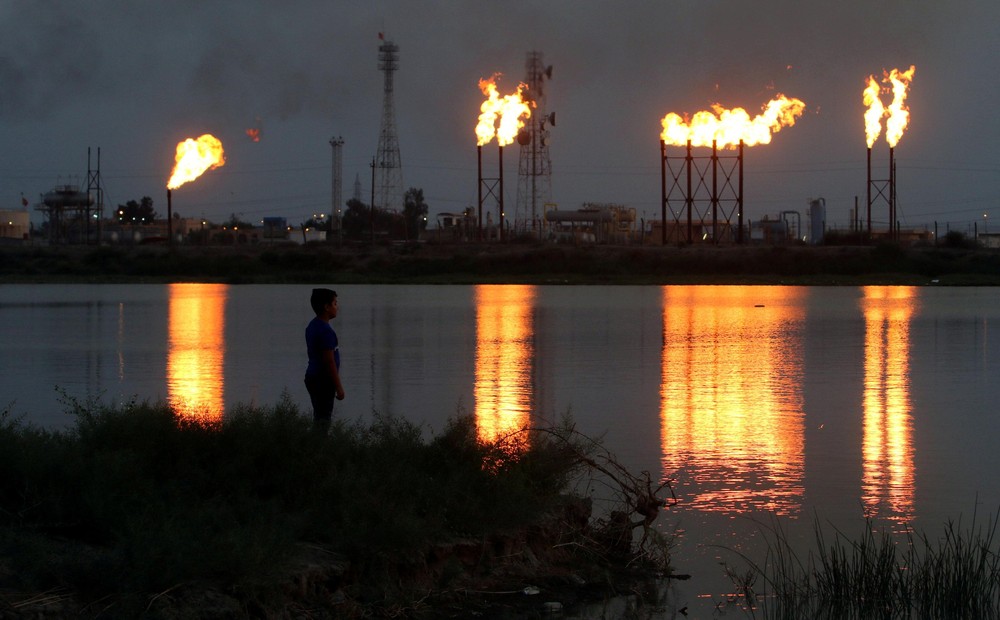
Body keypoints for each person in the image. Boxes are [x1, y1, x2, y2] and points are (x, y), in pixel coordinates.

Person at [304, 288, 345, 431]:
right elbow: (329, 361)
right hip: (322, 380)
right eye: (334, 303)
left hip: (312, 377)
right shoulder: (326, 331)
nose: (337, 307)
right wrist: (338, 387)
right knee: (323, 420)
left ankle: (315, 447)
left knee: (319, 416)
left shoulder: (312, 326)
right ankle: (319, 449)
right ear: (326, 307)